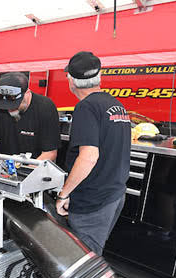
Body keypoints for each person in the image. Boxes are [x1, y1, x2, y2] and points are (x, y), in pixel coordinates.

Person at [56, 51, 131, 256]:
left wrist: (64, 194)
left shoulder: (86, 107)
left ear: (71, 80)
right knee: (93, 254)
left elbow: (89, 157)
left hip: (93, 202)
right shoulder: (115, 104)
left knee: (83, 261)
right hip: (113, 195)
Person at [0, 72, 60, 161]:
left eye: (14, 104)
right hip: (7, 165)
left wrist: (28, 171)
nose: (9, 109)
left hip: (35, 164)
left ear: (27, 93)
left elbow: (50, 153)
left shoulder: (45, 107)